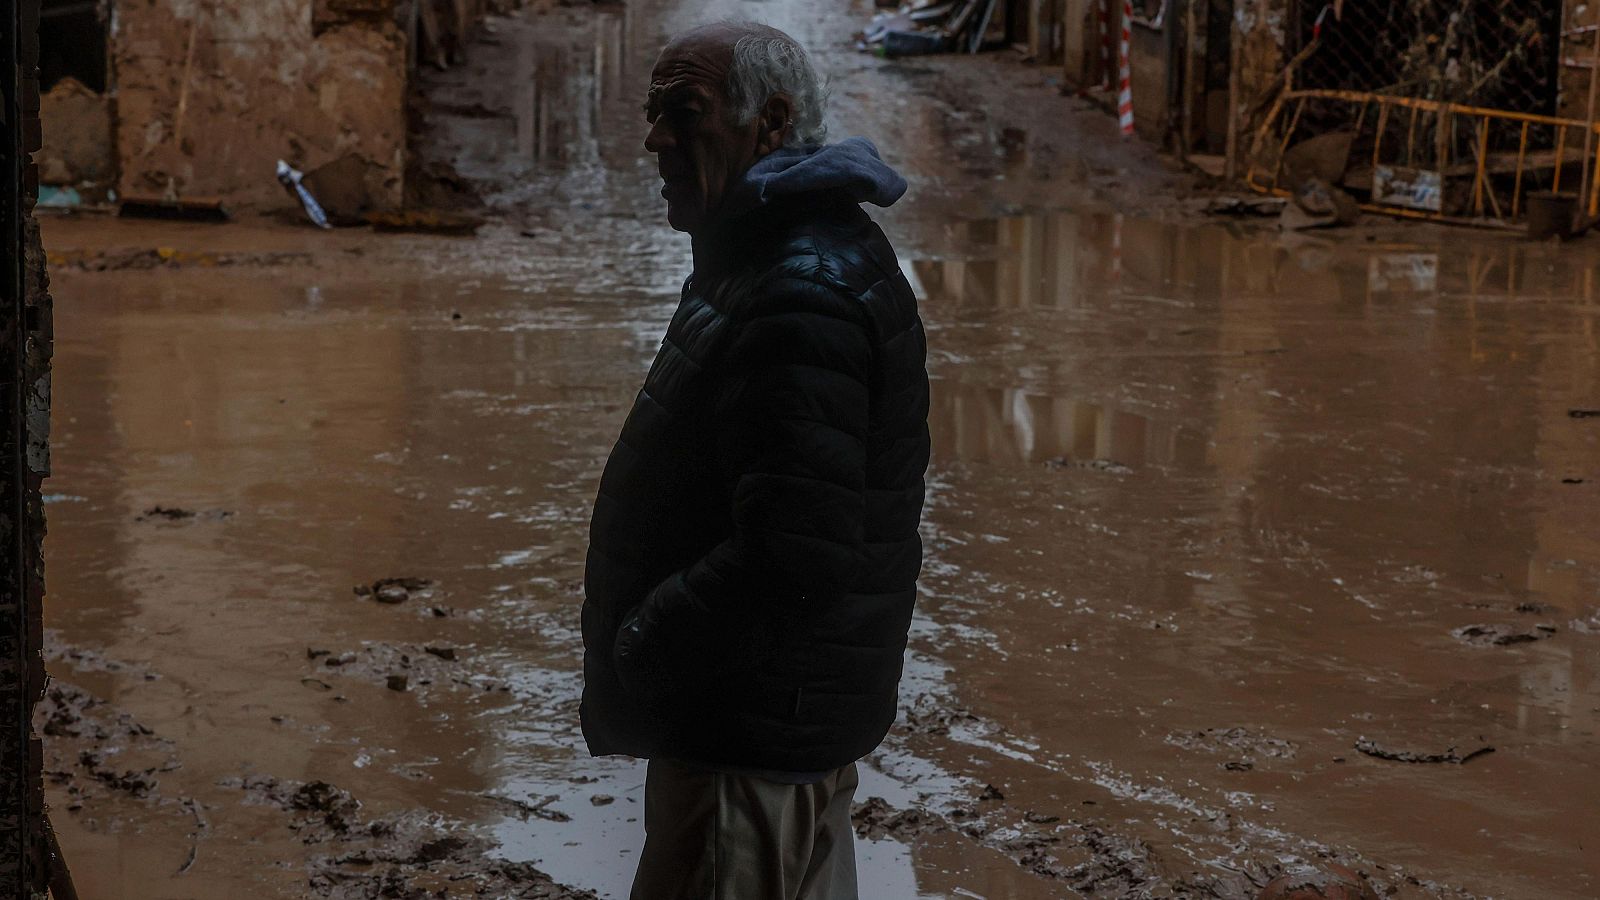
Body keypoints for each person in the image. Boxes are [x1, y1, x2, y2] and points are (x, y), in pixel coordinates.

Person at [580, 20, 930, 900]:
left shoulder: (796, 287)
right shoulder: (780, 258)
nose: (655, 139)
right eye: (654, 113)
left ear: (770, 121)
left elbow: (794, 553)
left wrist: (645, 636)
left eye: (682, 113)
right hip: (772, 734)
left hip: (746, 750)